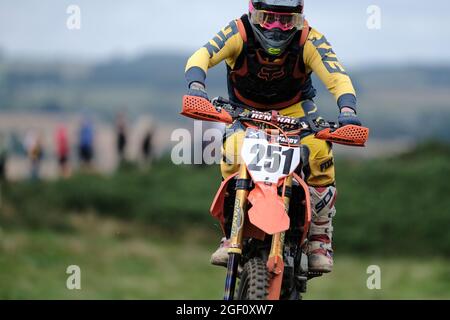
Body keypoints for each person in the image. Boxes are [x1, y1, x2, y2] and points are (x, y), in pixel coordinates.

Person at [184, 0, 362, 273]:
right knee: (233, 148)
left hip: (296, 112)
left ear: (299, 20)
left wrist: (347, 109)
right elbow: (202, 55)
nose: (277, 28)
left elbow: (336, 75)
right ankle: (233, 231)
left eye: (286, 21)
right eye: (267, 19)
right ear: (253, 13)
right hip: (245, 112)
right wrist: (197, 86)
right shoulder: (238, 31)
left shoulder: (309, 38)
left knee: (319, 150)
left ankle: (319, 237)